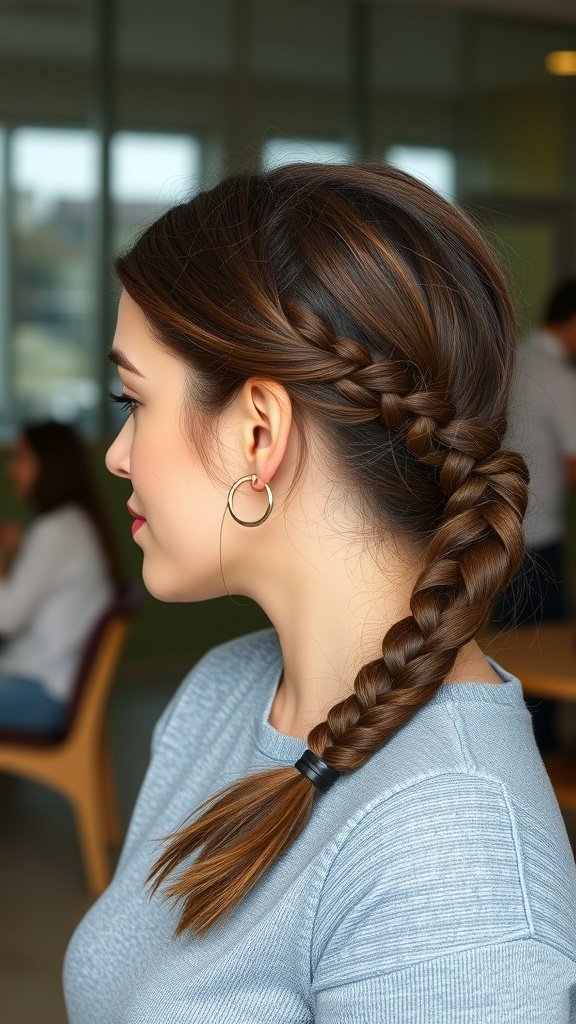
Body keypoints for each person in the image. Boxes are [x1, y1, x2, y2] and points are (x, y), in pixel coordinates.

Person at [65, 164, 576, 1022]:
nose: (119, 454)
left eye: (134, 400)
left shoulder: (456, 866)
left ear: (258, 433)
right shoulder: (219, 695)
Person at [493, 279, 576, 750]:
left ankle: (513, 753)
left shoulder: (508, 363)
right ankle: (539, 763)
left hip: (496, 531)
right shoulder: (560, 379)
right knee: (548, 656)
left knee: (510, 657)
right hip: (539, 537)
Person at [0, 421, 119, 733]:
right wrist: (22, 546)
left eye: (22, 457)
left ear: (49, 465)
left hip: (43, 692)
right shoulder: (72, 523)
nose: (12, 469)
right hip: (51, 681)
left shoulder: (53, 530)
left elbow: (6, 618)